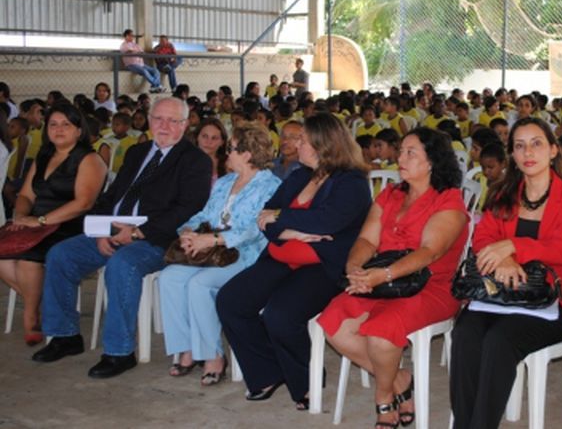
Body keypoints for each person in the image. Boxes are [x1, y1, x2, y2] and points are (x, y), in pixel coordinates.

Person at [32, 97, 212, 378]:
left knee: (122, 264)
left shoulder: (195, 160)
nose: (163, 125)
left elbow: (188, 208)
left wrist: (138, 232)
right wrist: (103, 230)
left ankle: (119, 351)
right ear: (149, 120)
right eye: (157, 119)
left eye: (172, 121)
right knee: (60, 254)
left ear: (185, 125)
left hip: (157, 239)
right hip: (114, 230)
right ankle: (64, 336)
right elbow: (112, 196)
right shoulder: (136, 152)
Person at [217, 113, 371, 408]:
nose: (294, 145)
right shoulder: (300, 175)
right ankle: (268, 371)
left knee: (280, 315)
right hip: (280, 256)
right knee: (231, 301)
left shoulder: (352, 182)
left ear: (322, 145)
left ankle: (306, 381)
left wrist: (284, 220)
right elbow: (265, 213)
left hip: (322, 266)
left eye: (302, 139)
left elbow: (327, 220)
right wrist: (292, 230)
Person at [320, 127, 468, 428]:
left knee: (380, 332)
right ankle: (400, 379)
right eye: (401, 151)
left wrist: (381, 275)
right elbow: (367, 240)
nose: (400, 157)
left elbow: (429, 253)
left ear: (432, 162)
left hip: (430, 286)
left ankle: (384, 399)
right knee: (334, 323)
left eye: (410, 153)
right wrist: (356, 269)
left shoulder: (448, 201)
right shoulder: (390, 194)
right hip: (381, 281)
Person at [449, 117, 562, 429]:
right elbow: (482, 238)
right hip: (498, 293)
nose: (529, 152)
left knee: (499, 340)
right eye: (520, 145)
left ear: (553, 150)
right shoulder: (504, 193)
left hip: (549, 302)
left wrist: (512, 247)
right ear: (511, 154)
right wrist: (504, 260)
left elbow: (561, 249)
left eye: (537, 143)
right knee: (465, 333)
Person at [159, 124, 281, 385]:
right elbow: (205, 215)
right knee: (169, 278)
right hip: (211, 251)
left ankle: (213, 354)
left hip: (246, 255)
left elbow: (255, 230)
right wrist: (188, 231)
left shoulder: (270, 185)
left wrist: (215, 239)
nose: (226, 154)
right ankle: (188, 347)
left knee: (199, 284)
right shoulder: (225, 182)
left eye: (231, 148)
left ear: (247, 154)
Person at [0, 103, 105, 345]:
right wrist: (20, 218)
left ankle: (32, 316)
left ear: (79, 130)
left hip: (70, 223)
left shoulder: (90, 159)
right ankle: (40, 304)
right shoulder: (44, 156)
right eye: (53, 125)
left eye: (66, 125)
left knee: (28, 258)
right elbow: (26, 195)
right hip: (36, 221)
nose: (58, 130)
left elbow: (83, 203)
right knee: (4, 254)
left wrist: (40, 221)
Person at [120, 29, 166, 93]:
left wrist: (136, 52)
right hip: (131, 64)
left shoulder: (135, 44)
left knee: (155, 70)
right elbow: (130, 52)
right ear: (126, 36)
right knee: (144, 71)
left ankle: (154, 86)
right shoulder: (124, 45)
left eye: (132, 35)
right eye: (131, 35)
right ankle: (157, 86)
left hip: (141, 64)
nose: (132, 37)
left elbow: (141, 52)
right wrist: (137, 52)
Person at [194, 118, 228, 184]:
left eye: (214, 138)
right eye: (205, 136)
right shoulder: (185, 161)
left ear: (222, 142)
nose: (209, 142)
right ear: (197, 137)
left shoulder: (229, 164)